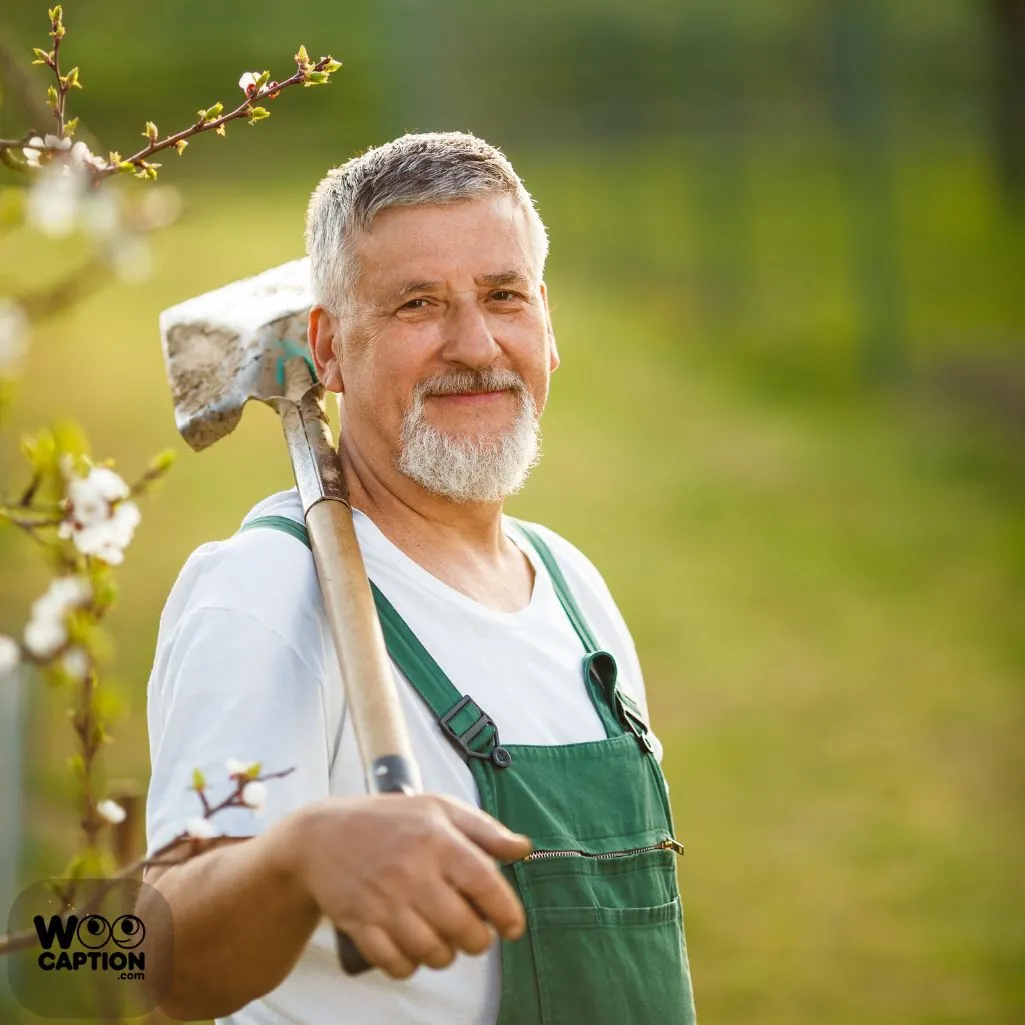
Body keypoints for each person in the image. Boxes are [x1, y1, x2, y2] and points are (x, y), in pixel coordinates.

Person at [143, 131, 697, 1025]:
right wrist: (296, 857)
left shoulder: (570, 587)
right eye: (416, 305)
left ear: (545, 325)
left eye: (503, 295)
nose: (473, 343)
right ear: (325, 347)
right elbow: (136, 954)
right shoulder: (266, 595)